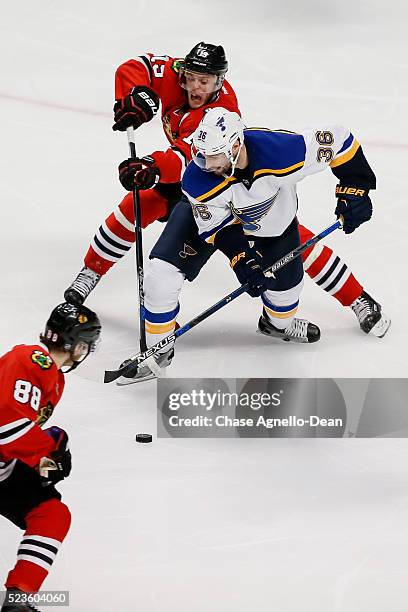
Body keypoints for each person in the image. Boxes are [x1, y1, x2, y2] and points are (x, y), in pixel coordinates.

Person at [63, 42, 390, 340]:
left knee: (292, 238)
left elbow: (189, 158)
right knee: (135, 207)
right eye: (191, 77)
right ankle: (90, 272)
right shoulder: (183, 77)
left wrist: (152, 166)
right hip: (195, 185)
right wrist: (134, 96)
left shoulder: (221, 116)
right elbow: (136, 67)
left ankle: (355, 296)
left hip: (221, 182)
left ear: (219, 81)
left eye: (204, 81)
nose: (195, 87)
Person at [121, 108, 378, 382]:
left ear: (235, 145)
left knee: (284, 304)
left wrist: (355, 188)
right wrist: (243, 260)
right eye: (202, 155)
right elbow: (219, 227)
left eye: (214, 155)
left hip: (273, 226)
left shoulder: (282, 152)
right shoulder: (198, 178)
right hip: (212, 219)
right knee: (160, 275)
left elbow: (339, 140)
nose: (206, 164)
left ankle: (275, 325)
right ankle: (156, 351)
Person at [0, 303, 101, 612]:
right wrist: (48, 448)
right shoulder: (32, 361)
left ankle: (18, 599)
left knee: (51, 514)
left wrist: (46, 456)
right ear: (78, 344)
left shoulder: (52, 376)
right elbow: (6, 428)